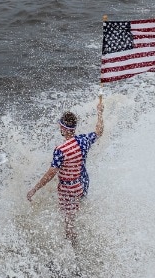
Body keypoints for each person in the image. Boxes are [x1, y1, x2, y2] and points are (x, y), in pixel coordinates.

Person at [27, 95, 104, 242]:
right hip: (82, 183)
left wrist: (34, 189)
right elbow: (99, 131)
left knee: (68, 222)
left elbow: (50, 174)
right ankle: (78, 222)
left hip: (68, 188)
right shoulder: (83, 140)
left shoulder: (60, 150)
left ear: (63, 128)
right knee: (77, 208)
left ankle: (72, 242)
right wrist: (100, 112)